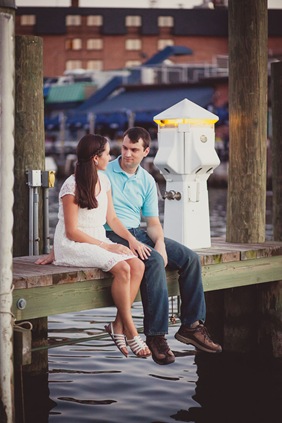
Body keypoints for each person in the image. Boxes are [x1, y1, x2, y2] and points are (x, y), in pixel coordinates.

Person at [38, 127, 222, 365]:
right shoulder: (103, 171)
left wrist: (159, 244)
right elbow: (77, 221)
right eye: (124, 148)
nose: (127, 154)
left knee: (190, 258)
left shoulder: (146, 180)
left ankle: (192, 326)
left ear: (146, 151)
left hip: (136, 233)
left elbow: (153, 223)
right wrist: (57, 250)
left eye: (134, 150)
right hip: (108, 235)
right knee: (153, 262)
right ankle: (156, 336)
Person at [38, 133, 151, 358]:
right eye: (107, 153)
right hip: (73, 244)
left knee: (137, 266)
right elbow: (70, 231)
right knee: (123, 269)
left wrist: (130, 239)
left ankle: (117, 325)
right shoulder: (71, 186)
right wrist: (107, 247)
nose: (111, 157)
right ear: (95, 158)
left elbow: (113, 219)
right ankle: (131, 331)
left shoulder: (105, 180)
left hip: (98, 239)